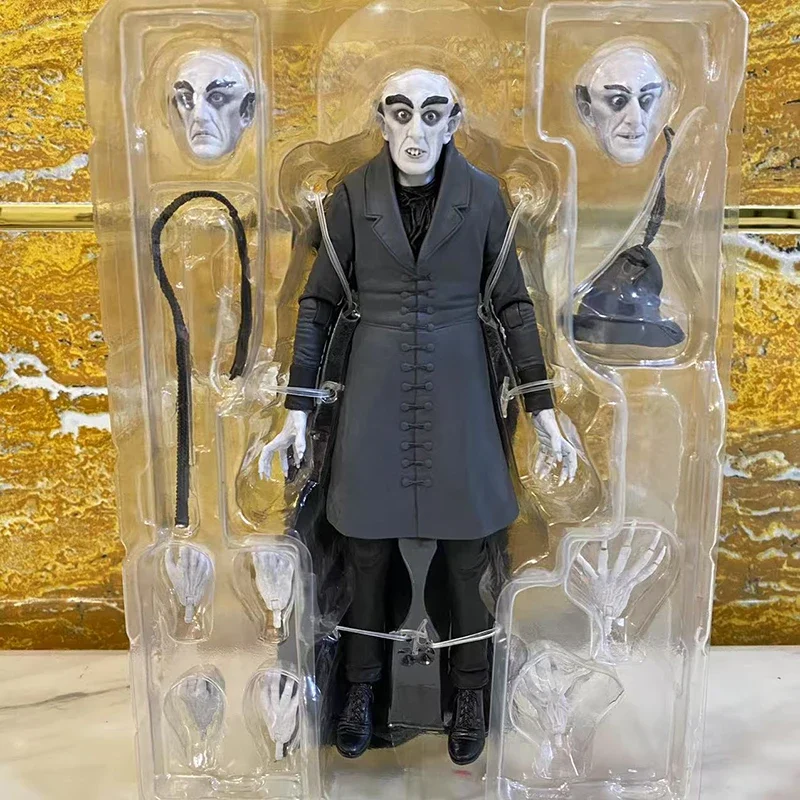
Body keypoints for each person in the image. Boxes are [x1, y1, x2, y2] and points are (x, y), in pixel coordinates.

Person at [260, 68, 576, 765]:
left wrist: (544, 409)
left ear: (454, 120)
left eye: (432, 113)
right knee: (364, 553)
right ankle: (359, 690)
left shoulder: (484, 196)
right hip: (372, 388)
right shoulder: (352, 197)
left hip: (461, 388)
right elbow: (317, 304)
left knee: (468, 555)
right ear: (380, 119)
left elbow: (514, 304)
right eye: (400, 113)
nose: (415, 130)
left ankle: (471, 690)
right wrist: (296, 410)